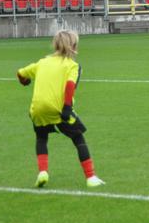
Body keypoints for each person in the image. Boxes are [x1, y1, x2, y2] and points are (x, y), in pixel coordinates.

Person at [16, 30, 105, 187]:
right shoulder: (72, 66)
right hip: (58, 108)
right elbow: (70, 85)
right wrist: (67, 108)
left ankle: (43, 172)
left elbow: (21, 73)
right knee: (78, 138)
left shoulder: (42, 62)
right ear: (74, 46)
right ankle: (91, 177)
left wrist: (24, 81)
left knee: (41, 138)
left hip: (37, 109)